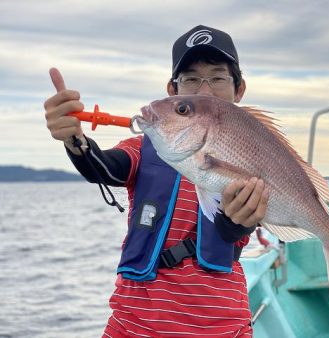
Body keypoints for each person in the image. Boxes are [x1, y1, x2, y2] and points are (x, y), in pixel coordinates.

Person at [44, 25, 268, 337]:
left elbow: (232, 230)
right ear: (172, 89)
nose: (204, 91)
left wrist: (241, 218)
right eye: (191, 78)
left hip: (219, 326)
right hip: (131, 323)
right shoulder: (145, 147)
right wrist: (74, 139)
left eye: (217, 78)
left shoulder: (254, 154)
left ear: (239, 89)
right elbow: (104, 169)